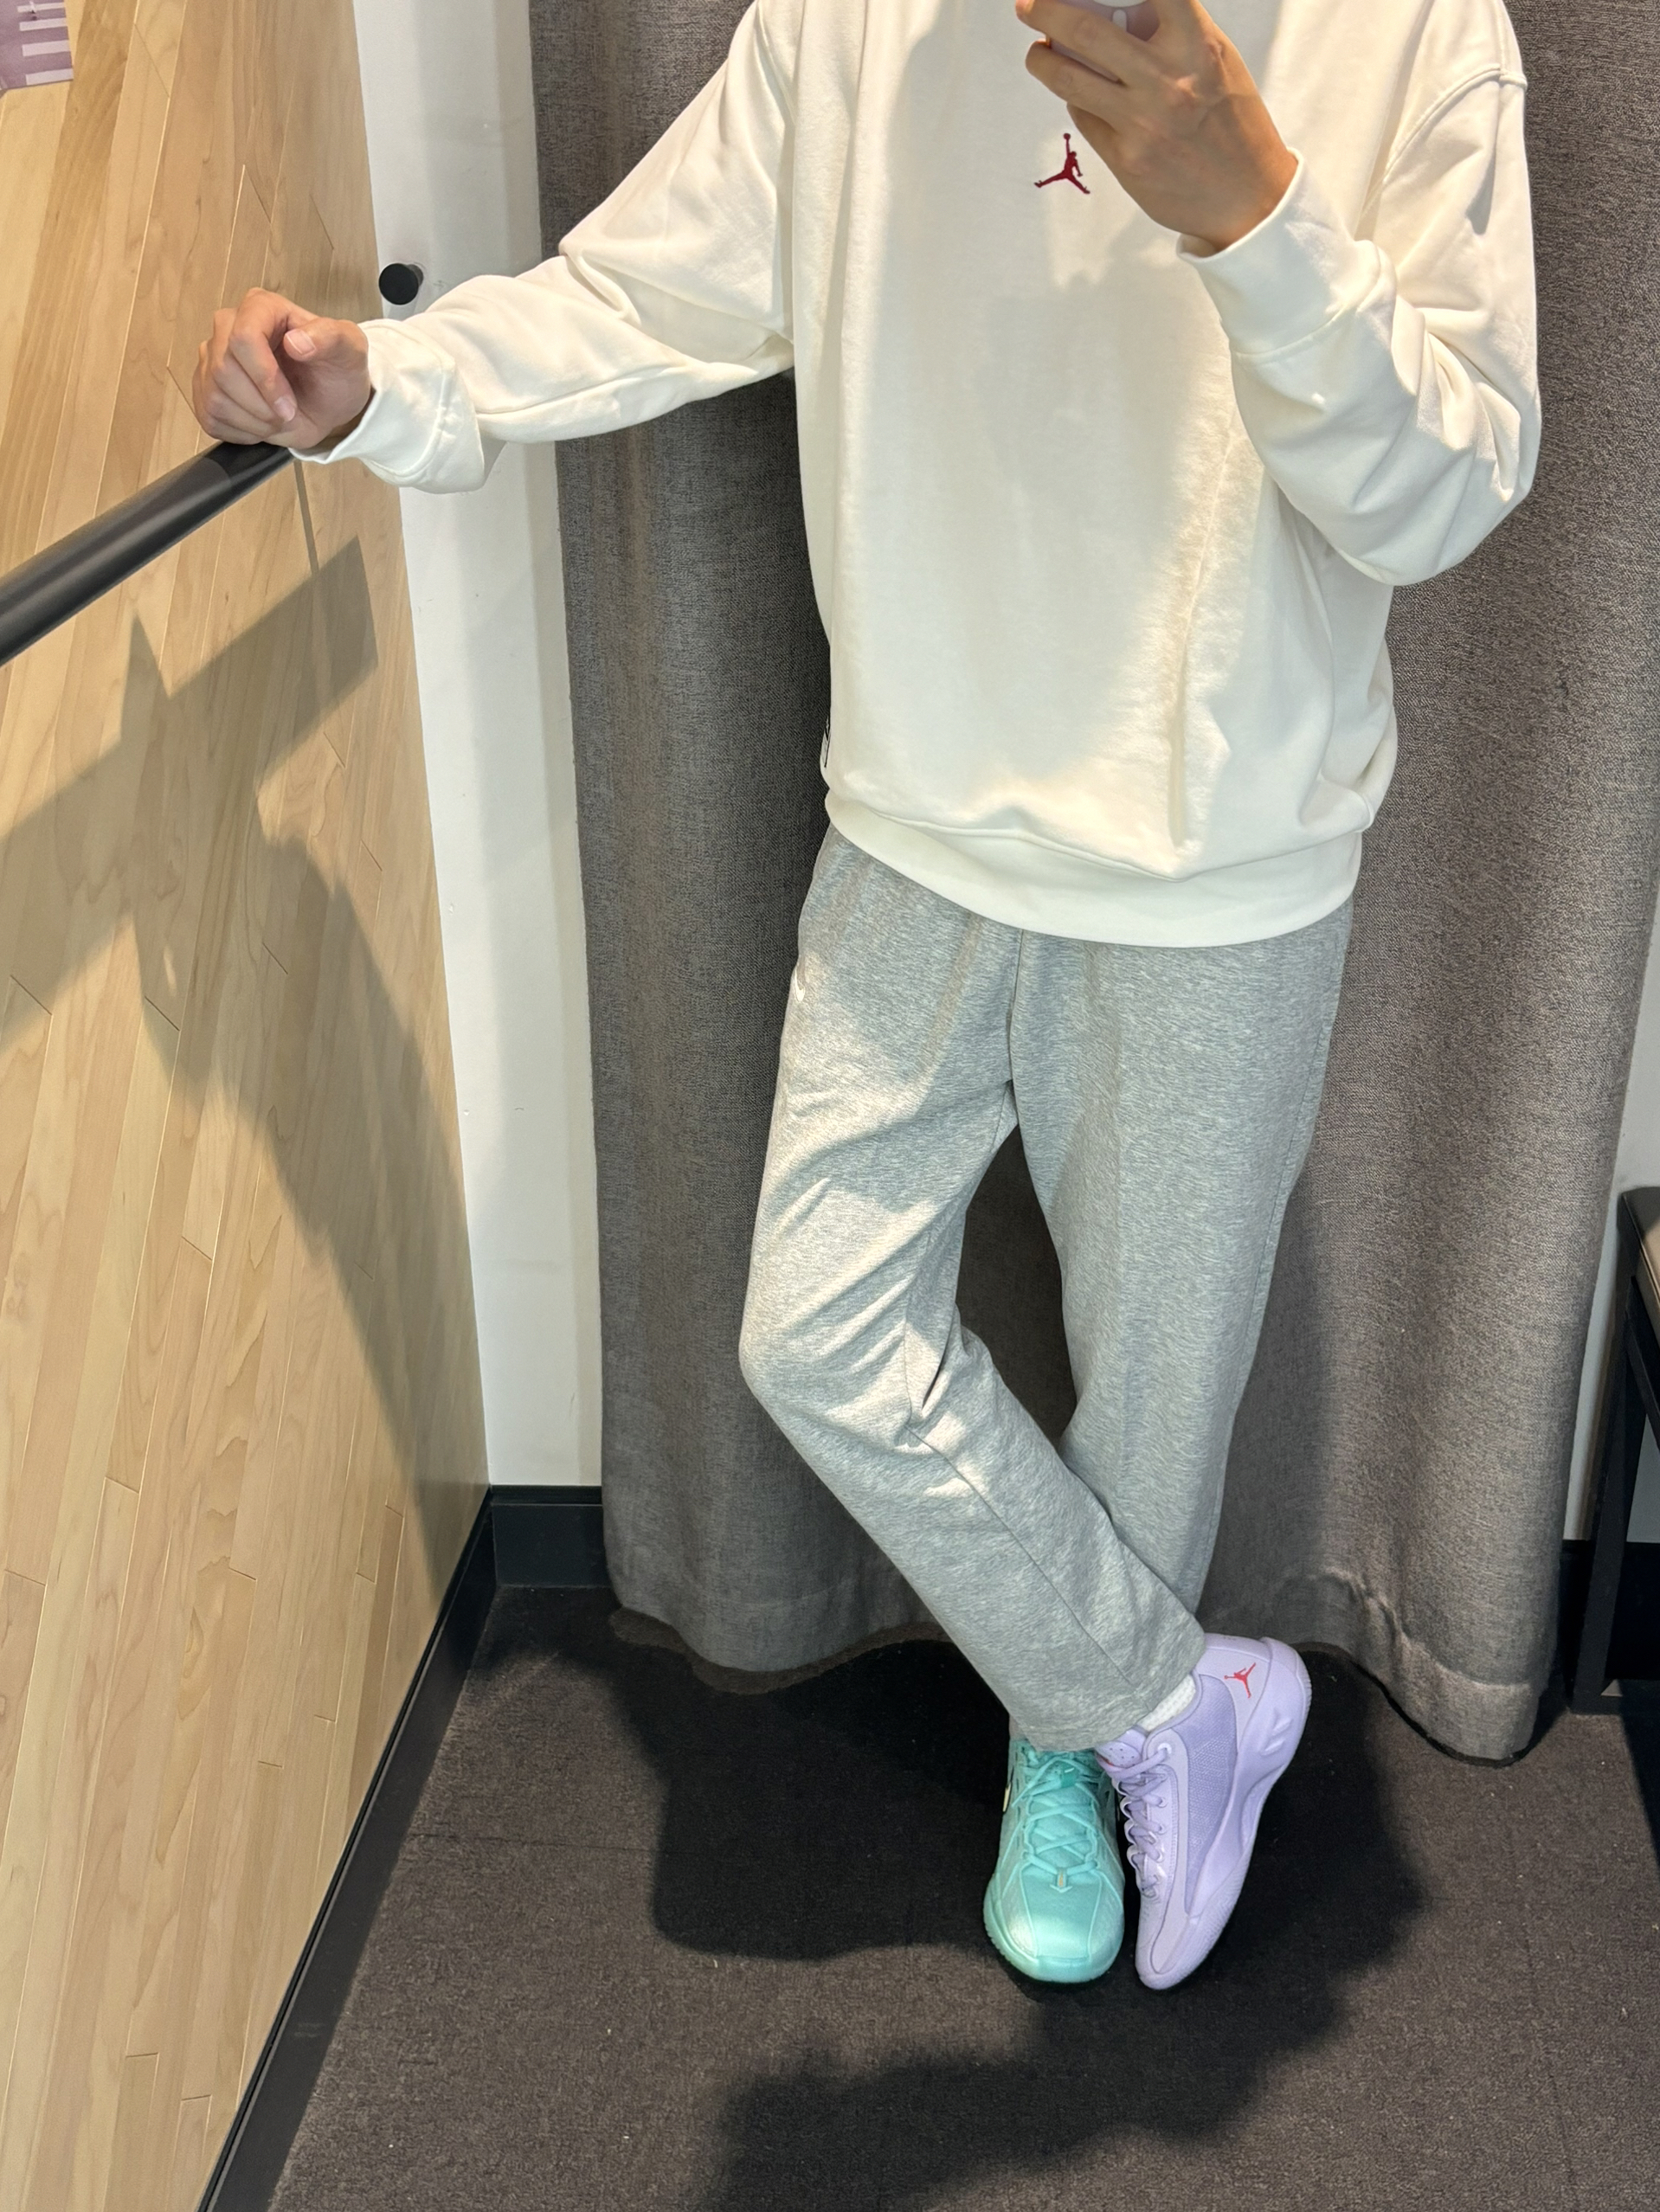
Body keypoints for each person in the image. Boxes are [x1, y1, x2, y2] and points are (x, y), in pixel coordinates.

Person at [194, 0, 1538, 1990]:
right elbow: (637, 294)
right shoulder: (846, 23)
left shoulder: (1409, 25)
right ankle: (1163, 1697)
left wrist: (1250, 218)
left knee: (1153, 1410)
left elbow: (1444, 492)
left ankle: (1072, 1747)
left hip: (1218, 864)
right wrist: (380, 382)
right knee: (816, 1330)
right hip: (912, 824)